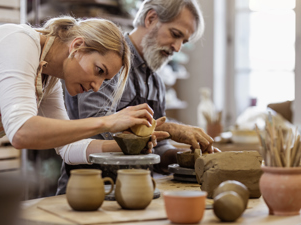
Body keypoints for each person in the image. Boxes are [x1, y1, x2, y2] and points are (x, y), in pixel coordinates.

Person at [56, 0, 221, 195]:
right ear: (151, 18)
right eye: (175, 35)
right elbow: (96, 127)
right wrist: (170, 128)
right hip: (89, 190)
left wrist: (184, 158)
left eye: (183, 42)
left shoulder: (156, 82)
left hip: (135, 191)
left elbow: (156, 147)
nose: (177, 48)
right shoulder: (108, 62)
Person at [0, 15, 168, 174]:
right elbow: (21, 132)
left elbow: (67, 149)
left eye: (104, 80)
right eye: (99, 71)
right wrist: (108, 122)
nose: (97, 87)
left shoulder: (49, 78)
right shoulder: (20, 43)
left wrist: (126, 147)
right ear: (77, 46)